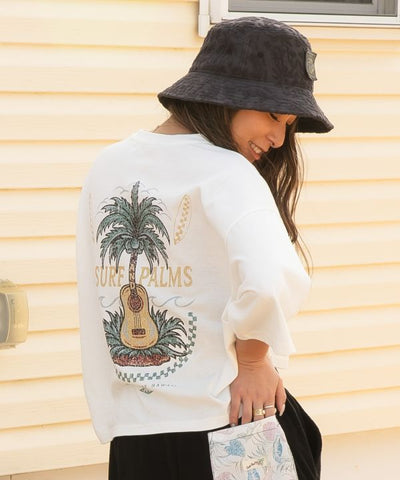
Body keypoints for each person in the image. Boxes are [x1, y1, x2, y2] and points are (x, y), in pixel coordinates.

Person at [76, 16, 333, 480]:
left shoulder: (107, 166)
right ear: (228, 95)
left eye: (288, 124)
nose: (279, 139)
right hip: (231, 424)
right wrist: (253, 360)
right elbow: (272, 279)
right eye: (274, 116)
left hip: (135, 435)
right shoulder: (228, 172)